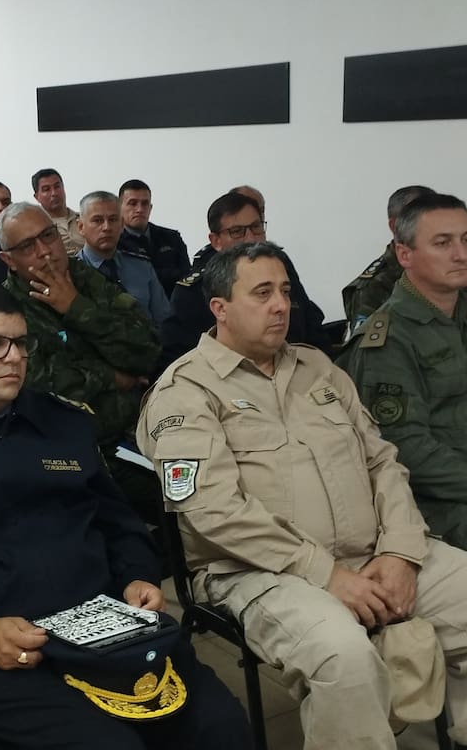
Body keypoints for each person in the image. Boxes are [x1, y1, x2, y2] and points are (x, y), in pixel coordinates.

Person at [0, 280, 251, 750]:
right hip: (1, 654)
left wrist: (135, 577)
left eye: (21, 343)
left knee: (222, 729)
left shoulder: (63, 424)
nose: (14, 357)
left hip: (108, 631)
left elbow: (118, 525)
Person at [138, 241, 467, 750]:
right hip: (258, 572)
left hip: (375, 553)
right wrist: (326, 574)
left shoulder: (319, 368)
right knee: (344, 657)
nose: (281, 306)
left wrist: (401, 550)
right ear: (219, 309)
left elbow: (383, 463)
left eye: (286, 292)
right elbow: (212, 512)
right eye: (263, 293)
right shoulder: (185, 392)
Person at [0, 201, 163, 525]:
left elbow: (147, 348)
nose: (45, 251)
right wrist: (112, 376)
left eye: (48, 236)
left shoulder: (85, 279)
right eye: (28, 246)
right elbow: (39, 384)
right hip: (74, 447)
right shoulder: (4, 310)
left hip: (140, 428)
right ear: (9, 260)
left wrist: (75, 307)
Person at [338, 192, 467, 549]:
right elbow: (405, 447)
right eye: (443, 243)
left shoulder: (460, 308)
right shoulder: (389, 337)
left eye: (466, 239)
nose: (461, 254)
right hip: (434, 502)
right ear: (404, 254)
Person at [161, 191, 328, 365]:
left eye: (256, 227)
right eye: (237, 232)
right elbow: (176, 357)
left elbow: (312, 330)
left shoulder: (281, 267)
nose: (251, 238)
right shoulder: (194, 291)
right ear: (216, 240)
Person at [341, 185, 436, 336]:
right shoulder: (374, 287)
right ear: (394, 225)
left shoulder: (452, 268)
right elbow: (368, 354)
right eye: (419, 219)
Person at [77, 190, 172, 329]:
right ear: (81, 227)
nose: (106, 227)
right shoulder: (72, 272)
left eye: (113, 219)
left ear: (122, 225)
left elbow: (165, 320)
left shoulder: (142, 267)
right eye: (97, 220)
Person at [116, 179, 190, 297]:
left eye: (144, 203)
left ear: (150, 207)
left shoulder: (171, 238)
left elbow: (186, 278)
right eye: (132, 203)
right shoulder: (114, 243)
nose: (139, 209)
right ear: (119, 207)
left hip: (174, 305)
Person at [31, 168, 84, 254]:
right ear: (37, 197)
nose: (54, 193)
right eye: (46, 189)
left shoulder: (84, 219)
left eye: (57, 187)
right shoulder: (36, 229)